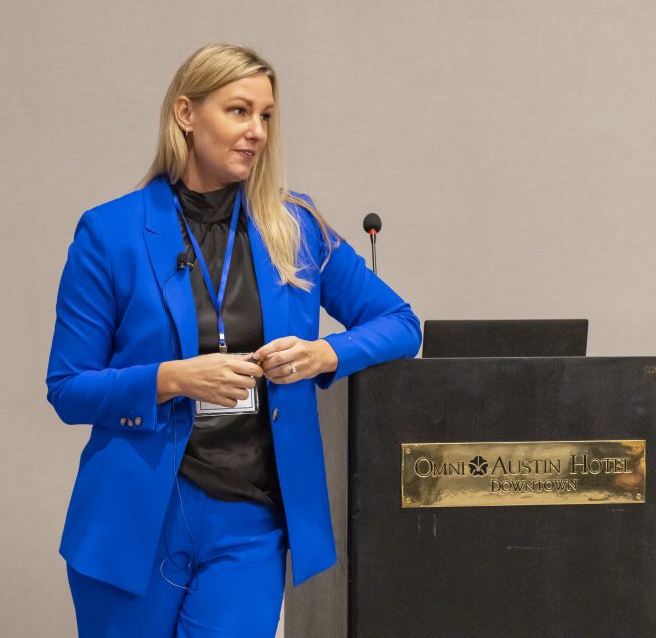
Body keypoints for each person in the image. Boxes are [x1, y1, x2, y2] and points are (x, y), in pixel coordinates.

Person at [46, 44, 421, 637]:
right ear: (186, 114)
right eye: (239, 111)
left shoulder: (296, 227)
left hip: (250, 519)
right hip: (136, 516)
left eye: (266, 115)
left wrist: (324, 354)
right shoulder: (110, 232)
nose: (257, 132)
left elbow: (401, 323)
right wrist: (173, 378)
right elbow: (68, 388)